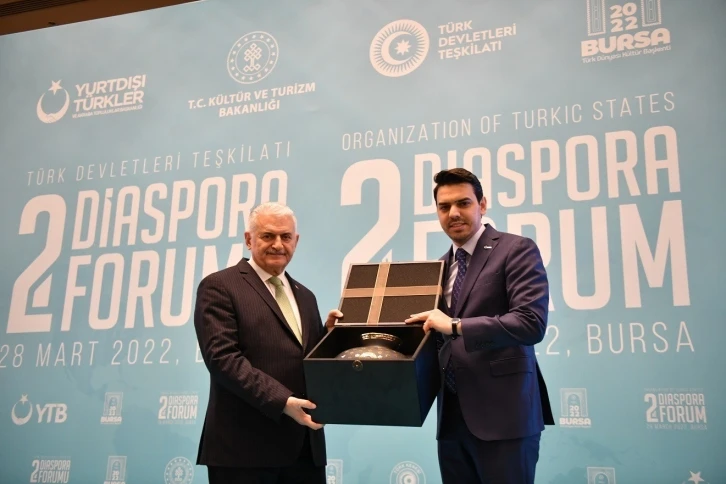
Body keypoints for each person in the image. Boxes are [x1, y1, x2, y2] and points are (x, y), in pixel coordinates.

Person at [405, 168, 555, 484]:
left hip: (504, 418)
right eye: (444, 206)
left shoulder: (515, 249)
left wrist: (456, 325)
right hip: (452, 420)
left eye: (463, 203)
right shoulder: (438, 268)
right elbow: (430, 334)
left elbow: (531, 322)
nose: (453, 213)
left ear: (482, 204)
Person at [193, 202, 339, 484]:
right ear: (249, 239)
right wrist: (283, 401)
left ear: (296, 241)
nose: (278, 245)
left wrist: (330, 338)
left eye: (286, 237)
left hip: (305, 452)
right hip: (244, 452)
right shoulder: (220, 286)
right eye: (267, 236)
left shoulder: (306, 296)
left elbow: (304, 358)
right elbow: (223, 359)